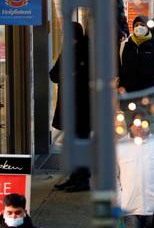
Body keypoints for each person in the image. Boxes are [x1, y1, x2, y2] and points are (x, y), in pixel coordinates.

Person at [50, 22, 91, 192]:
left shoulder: (86, 51)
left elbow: (85, 77)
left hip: (82, 107)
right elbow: (53, 74)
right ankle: (74, 177)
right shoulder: (67, 51)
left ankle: (83, 179)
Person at [117, 114, 154, 228]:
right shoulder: (120, 146)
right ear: (130, 126)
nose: (140, 127)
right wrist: (120, 200)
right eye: (136, 124)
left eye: (143, 123)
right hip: (129, 209)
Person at [119, 15, 154, 93]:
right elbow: (122, 68)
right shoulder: (126, 46)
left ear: (148, 28)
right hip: (129, 92)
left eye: (142, 25)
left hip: (150, 92)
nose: (139, 27)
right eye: (136, 25)